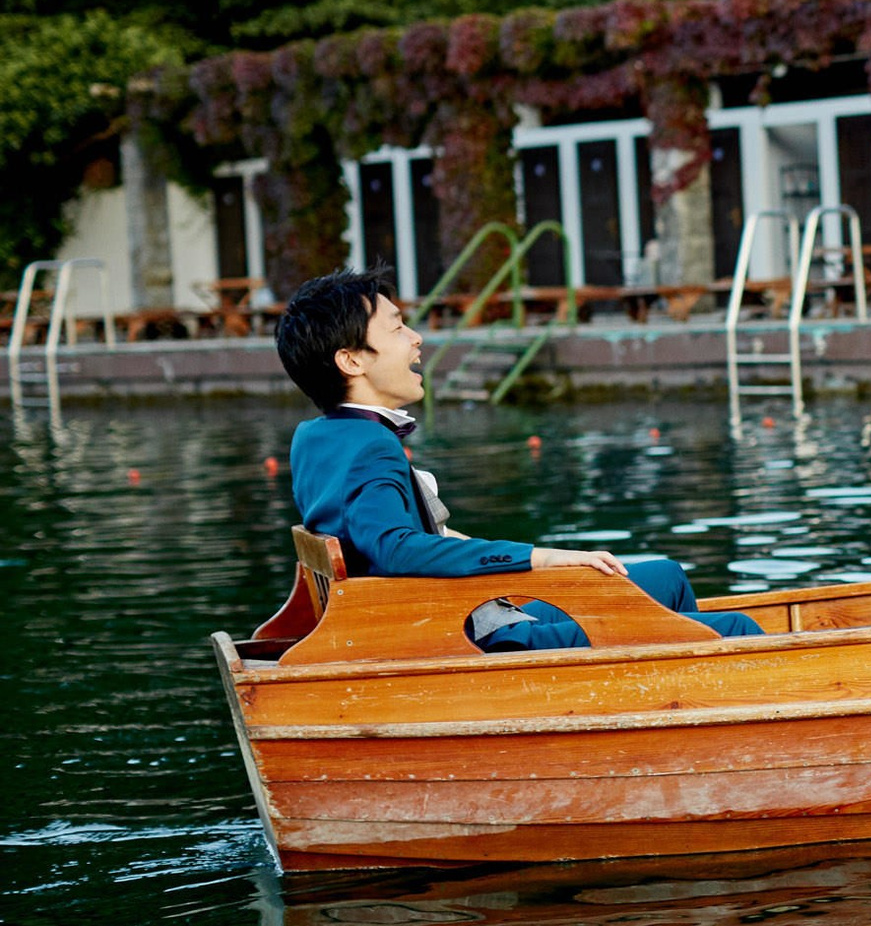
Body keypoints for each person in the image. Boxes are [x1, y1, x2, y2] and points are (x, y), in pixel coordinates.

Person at [274, 268, 761, 651]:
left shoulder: (317, 437)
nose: (417, 338)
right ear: (352, 360)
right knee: (736, 626)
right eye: (398, 327)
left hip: (437, 618)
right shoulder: (370, 445)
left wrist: (542, 563)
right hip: (472, 638)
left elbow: (393, 541)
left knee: (668, 576)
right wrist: (542, 558)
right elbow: (396, 549)